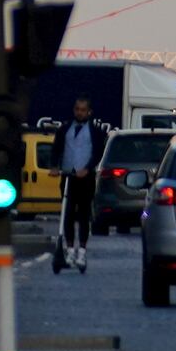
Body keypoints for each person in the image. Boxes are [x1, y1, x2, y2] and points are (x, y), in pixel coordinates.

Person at [48, 103, 105, 272]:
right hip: (68, 177)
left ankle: (82, 251)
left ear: (89, 111)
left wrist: (87, 168)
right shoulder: (64, 129)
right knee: (68, 214)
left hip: (86, 178)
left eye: (83, 110)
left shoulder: (95, 132)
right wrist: (54, 166)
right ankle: (70, 250)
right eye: (77, 110)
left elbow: (98, 153)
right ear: (74, 110)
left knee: (84, 214)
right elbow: (56, 149)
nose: (80, 113)